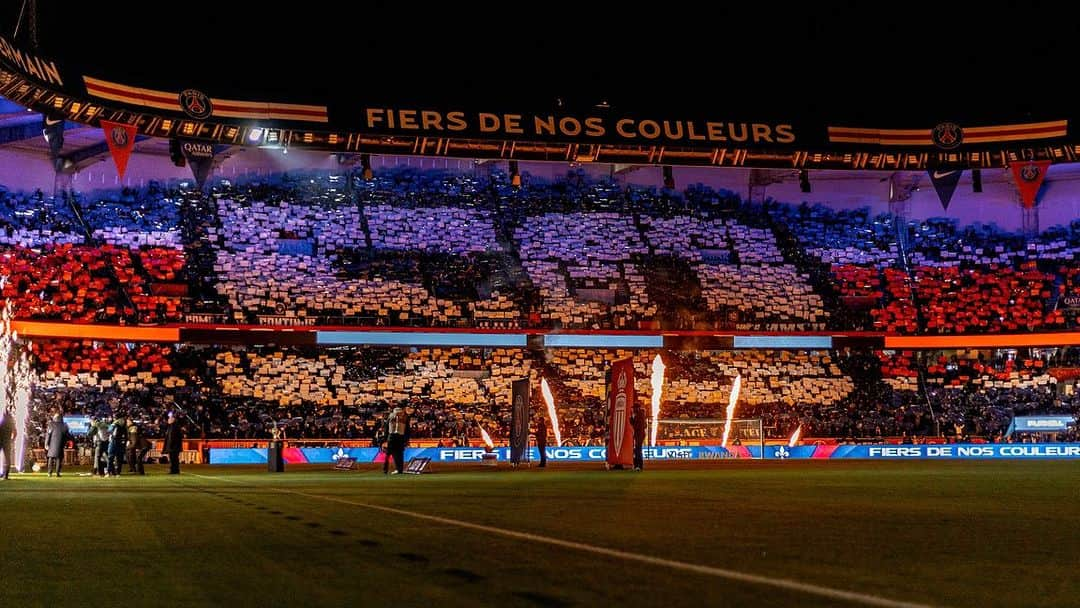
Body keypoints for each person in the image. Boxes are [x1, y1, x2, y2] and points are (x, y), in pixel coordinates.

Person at [383, 406, 409, 475]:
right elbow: (407, 430)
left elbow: (386, 428)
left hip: (391, 436)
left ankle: (385, 469)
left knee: (388, 453)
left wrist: (384, 439)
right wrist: (406, 440)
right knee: (399, 454)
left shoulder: (391, 416)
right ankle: (399, 469)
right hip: (400, 436)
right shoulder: (405, 417)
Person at [45, 413, 71, 477]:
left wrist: (46, 444)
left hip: (52, 444)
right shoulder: (64, 425)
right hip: (60, 444)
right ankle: (57, 473)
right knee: (59, 459)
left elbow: (48, 435)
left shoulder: (51, 425)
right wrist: (65, 444)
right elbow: (67, 436)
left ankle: (49, 472)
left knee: (51, 458)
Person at [630, 404, 647, 471]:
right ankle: (638, 465)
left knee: (637, 451)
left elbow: (635, 426)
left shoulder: (639, 415)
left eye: (634, 408)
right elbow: (645, 426)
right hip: (640, 434)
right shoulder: (641, 414)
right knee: (637, 450)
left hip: (639, 435)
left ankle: (638, 466)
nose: (633, 409)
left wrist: (631, 419)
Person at [0, 406, 14, 480]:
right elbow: (15, 432)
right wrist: (12, 440)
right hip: (7, 441)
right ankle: (6, 475)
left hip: (1, 440)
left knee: (7, 458)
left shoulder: (1, 421)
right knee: (7, 458)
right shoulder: (11, 421)